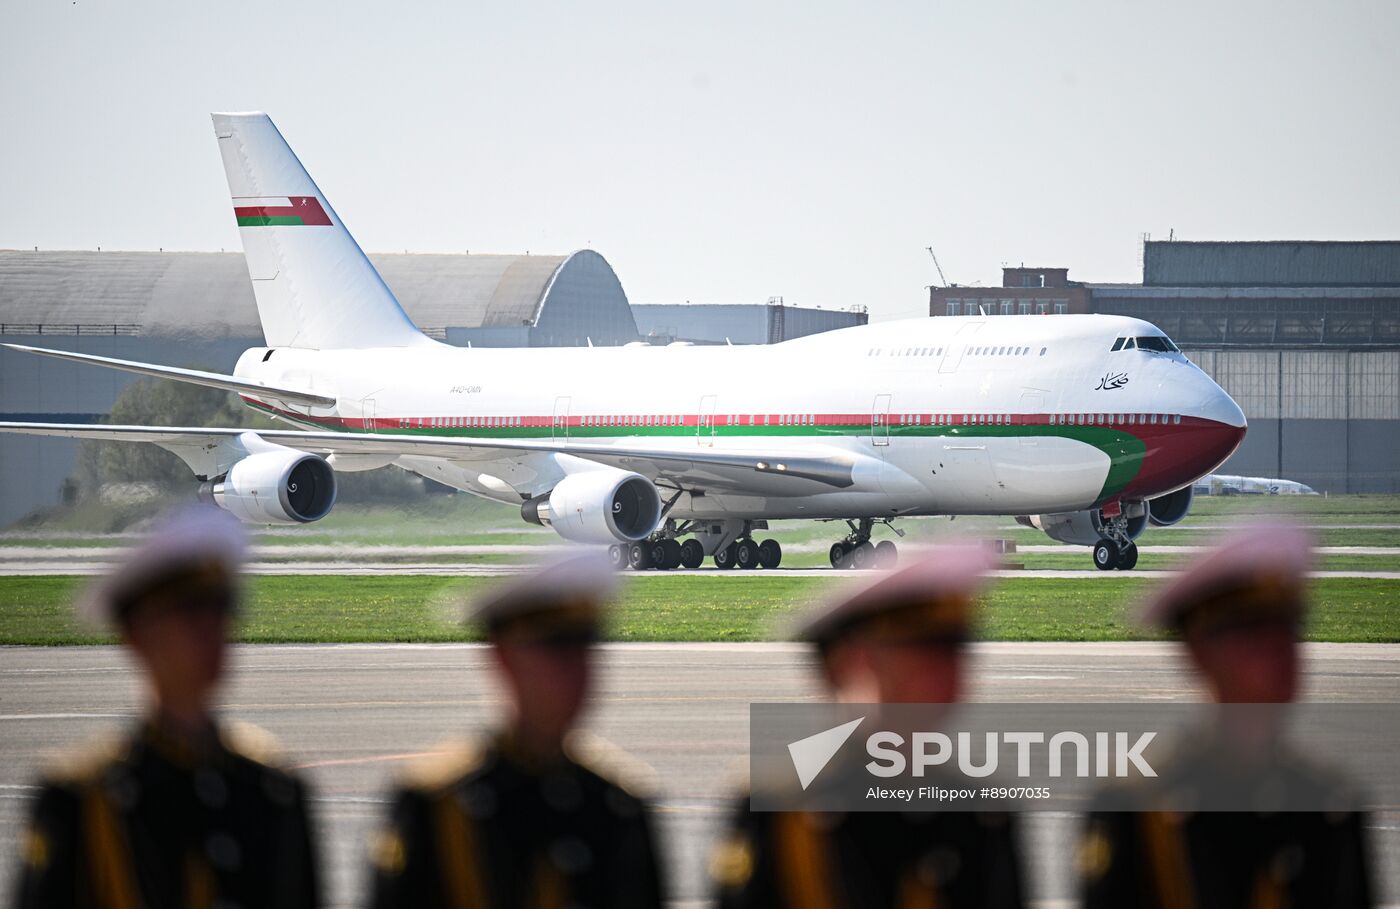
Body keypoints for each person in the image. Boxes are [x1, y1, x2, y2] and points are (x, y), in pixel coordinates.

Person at [11, 505, 320, 909]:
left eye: (222, 610)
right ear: (136, 635)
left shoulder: (274, 789)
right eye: (190, 616)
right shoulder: (82, 797)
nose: (212, 634)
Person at [709, 545, 1026, 908]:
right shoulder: (781, 809)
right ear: (855, 660)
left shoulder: (983, 814)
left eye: (956, 648)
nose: (949, 669)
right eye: (926, 650)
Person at [1078, 522, 1374, 908]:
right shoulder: (1137, 807)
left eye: (1289, 627)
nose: (1280, 650)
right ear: (1198, 653)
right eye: (1254, 632)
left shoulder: (1332, 807)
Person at [368, 554, 665, 909]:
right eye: (556, 650)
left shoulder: (621, 804)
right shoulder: (439, 803)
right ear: (503, 658)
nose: (577, 670)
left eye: (585, 648)